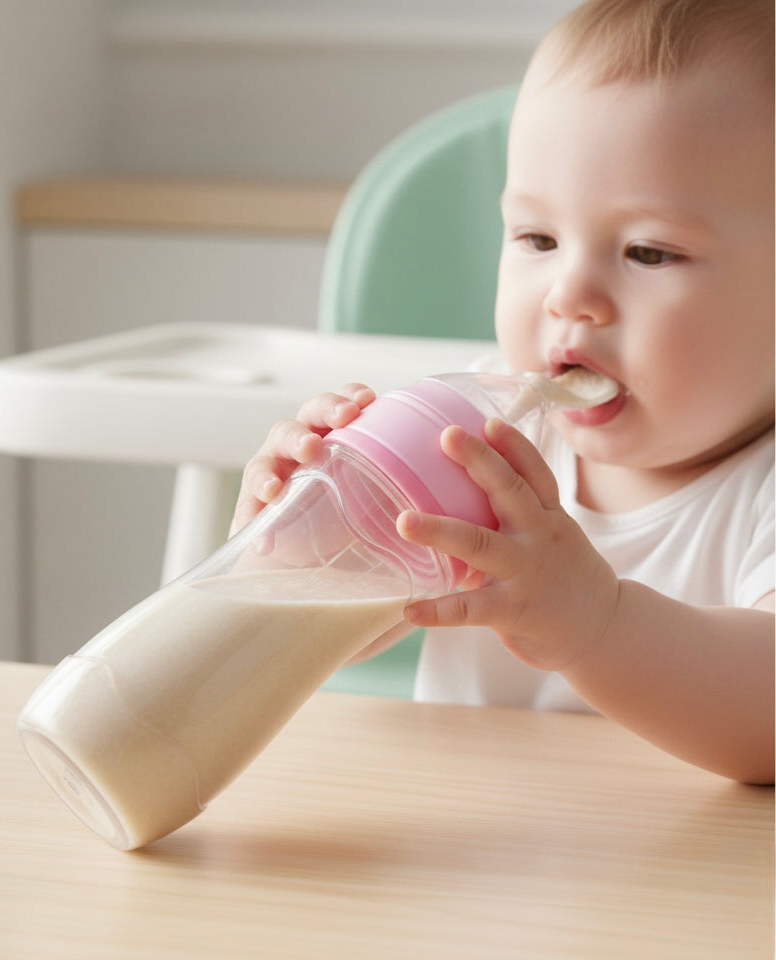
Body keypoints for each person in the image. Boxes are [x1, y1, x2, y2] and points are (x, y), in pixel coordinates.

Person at [231, 0, 775, 785]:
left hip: (690, 898)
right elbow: (336, 634)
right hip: (468, 872)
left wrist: (596, 624)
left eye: (649, 251)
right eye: (538, 240)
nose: (569, 294)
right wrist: (296, 544)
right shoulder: (486, 443)